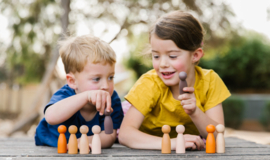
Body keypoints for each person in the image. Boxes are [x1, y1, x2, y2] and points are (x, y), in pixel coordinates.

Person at [118, 11, 231, 151]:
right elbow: (125, 135)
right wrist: (173, 143)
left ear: (195, 55)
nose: (162, 64)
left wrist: (195, 112)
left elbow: (216, 136)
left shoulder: (210, 81)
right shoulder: (149, 83)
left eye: (172, 56)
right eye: (156, 56)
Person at [35, 35, 124, 148]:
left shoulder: (111, 100)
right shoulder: (65, 95)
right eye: (96, 79)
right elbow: (50, 117)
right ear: (72, 81)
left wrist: (84, 141)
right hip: (51, 145)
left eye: (110, 77)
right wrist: (86, 96)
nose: (106, 86)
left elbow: (109, 136)